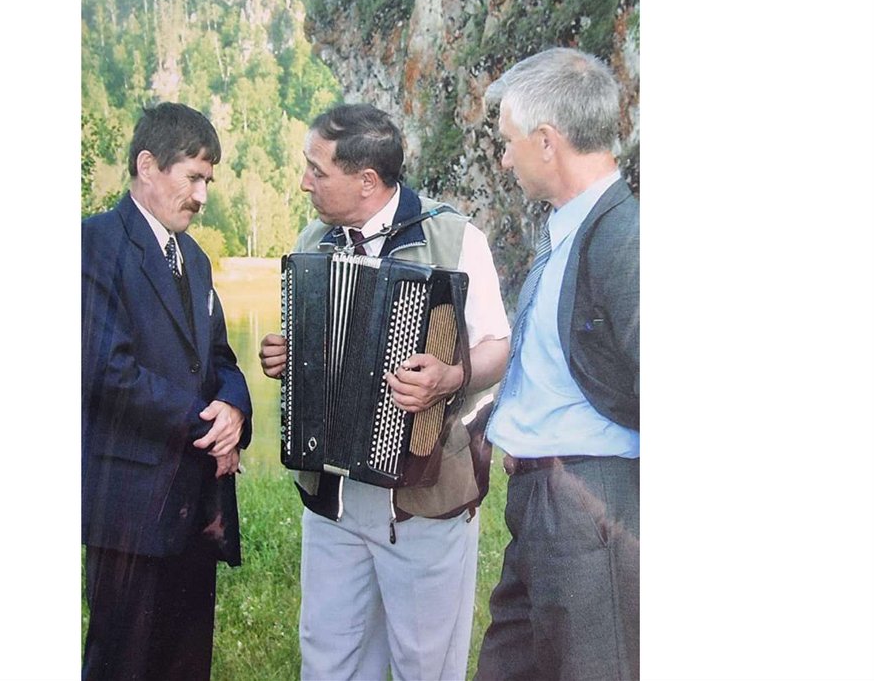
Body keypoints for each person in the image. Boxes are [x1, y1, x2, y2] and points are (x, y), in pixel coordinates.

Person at [259, 103, 511, 680]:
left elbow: (498, 345)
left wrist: (451, 376)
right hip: (332, 498)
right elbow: (318, 347)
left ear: (367, 181)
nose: (304, 182)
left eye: (317, 170)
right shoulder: (313, 240)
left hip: (424, 497)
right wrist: (291, 355)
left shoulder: (455, 237)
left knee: (425, 665)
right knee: (329, 659)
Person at [474, 48, 640, 681]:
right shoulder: (570, 229)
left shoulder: (626, 239)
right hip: (545, 505)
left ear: (547, 141)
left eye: (508, 142)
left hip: (588, 504)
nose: (504, 158)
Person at [81, 102, 252, 680]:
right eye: (193, 177)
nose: (202, 196)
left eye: (209, 181)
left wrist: (235, 409)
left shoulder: (195, 260)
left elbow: (220, 359)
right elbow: (107, 371)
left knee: (186, 663)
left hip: (196, 506)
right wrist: (210, 425)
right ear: (148, 165)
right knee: (122, 663)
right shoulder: (93, 244)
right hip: (129, 508)